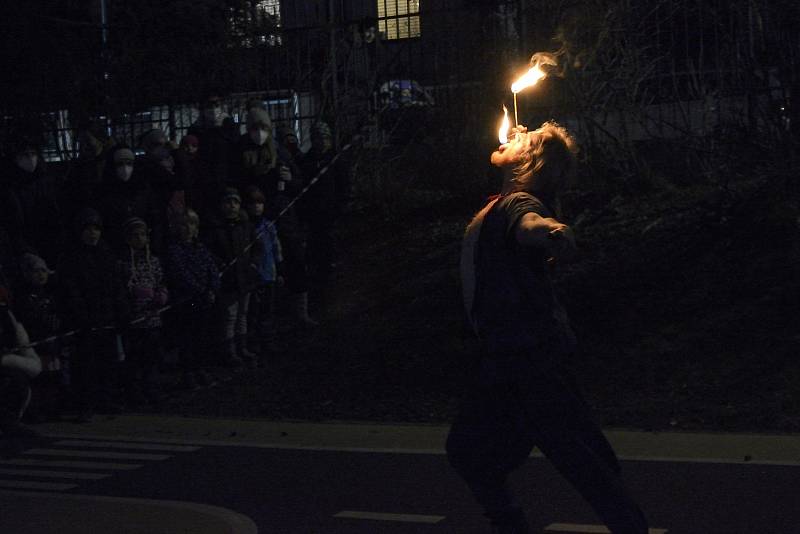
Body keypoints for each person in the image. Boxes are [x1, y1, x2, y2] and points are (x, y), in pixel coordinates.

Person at [446, 123, 649, 534]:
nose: (519, 129)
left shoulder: (516, 203)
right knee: (469, 452)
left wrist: (551, 230)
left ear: (529, 163)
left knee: (583, 461)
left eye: (530, 136)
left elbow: (530, 225)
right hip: (506, 362)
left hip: (531, 361)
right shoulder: (500, 203)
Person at [58, 208, 130, 421]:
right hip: (86, 321)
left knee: (106, 362)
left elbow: (115, 285)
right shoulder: (72, 256)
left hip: (105, 319)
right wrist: (81, 314)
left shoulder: (106, 254)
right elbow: (70, 289)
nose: (92, 233)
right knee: (85, 364)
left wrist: (120, 310)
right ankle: (85, 404)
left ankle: (104, 399)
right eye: (88, 229)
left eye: (96, 229)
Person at [203, 187, 262, 368]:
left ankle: (241, 347)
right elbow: (209, 252)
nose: (232, 206)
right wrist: (220, 265)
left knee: (242, 314)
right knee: (230, 316)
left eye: (235, 202)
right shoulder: (215, 228)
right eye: (228, 202)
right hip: (228, 280)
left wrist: (253, 263)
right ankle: (229, 351)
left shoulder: (245, 225)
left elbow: (257, 246)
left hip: (245, 277)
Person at [165, 208, 220, 389]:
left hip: (203, 300)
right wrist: (202, 290)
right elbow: (181, 275)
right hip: (186, 301)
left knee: (201, 337)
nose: (188, 228)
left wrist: (212, 288)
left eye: (191, 223)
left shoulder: (201, 248)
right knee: (187, 338)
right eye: (184, 224)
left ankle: (200, 368)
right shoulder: (174, 250)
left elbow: (212, 268)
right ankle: (188, 372)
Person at [116, 217, 168, 406]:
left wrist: (162, 294)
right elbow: (120, 289)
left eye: (142, 235)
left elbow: (160, 280)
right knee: (135, 357)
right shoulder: (122, 263)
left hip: (153, 318)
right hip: (135, 320)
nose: (139, 239)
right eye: (134, 235)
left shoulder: (153, 261)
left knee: (151, 356)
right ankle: (134, 390)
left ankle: (151, 388)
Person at [13, 253, 65, 421]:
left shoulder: (49, 296)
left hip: (51, 343)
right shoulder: (22, 297)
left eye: (44, 271)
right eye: (37, 271)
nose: (42, 275)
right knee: (37, 377)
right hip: (34, 344)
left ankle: (51, 407)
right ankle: (34, 409)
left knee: (52, 375)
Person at [243, 185, 283, 361]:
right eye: (253, 203)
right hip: (253, 277)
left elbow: (276, 249)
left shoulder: (268, 226)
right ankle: (254, 343)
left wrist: (280, 270)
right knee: (254, 312)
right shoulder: (246, 228)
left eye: (260, 202)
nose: (257, 206)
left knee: (268, 310)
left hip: (269, 274)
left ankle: (268, 341)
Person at [0, 284, 41, 439]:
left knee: (17, 380)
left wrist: (7, 358)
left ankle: (10, 422)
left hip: (5, 365)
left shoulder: (10, 322)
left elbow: (32, 362)